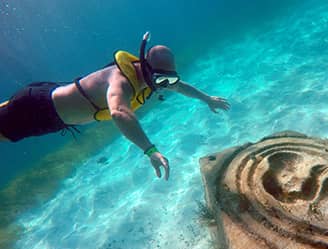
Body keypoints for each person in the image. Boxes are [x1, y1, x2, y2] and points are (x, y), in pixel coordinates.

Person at [0, 32, 230, 180]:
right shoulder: (119, 81)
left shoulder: (150, 76)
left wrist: (207, 98)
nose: (163, 86)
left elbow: (180, 86)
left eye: (167, 81)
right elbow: (119, 113)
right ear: (147, 67)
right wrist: (150, 150)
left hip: (50, 96)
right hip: (38, 109)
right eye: (161, 80)